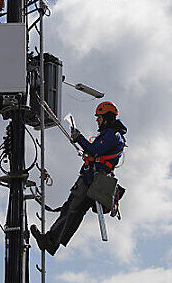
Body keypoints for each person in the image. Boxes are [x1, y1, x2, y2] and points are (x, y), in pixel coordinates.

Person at [31, 101, 127, 255]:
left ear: (107, 118)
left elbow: (94, 150)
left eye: (99, 117)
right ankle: (51, 241)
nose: (97, 120)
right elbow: (96, 152)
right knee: (72, 210)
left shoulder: (113, 135)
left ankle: (50, 241)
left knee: (73, 209)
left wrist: (79, 138)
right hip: (93, 179)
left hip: (93, 180)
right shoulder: (111, 135)